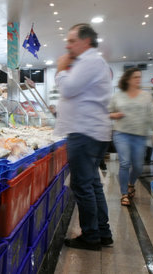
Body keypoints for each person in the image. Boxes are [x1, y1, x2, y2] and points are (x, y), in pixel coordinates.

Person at [54, 23, 113, 251]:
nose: (67, 45)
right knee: (93, 185)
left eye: (71, 41)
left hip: (85, 132)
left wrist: (60, 70)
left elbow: (68, 89)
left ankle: (90, 236)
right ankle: (102, 231)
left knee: (82, 186)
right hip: (92, 131)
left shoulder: (90, 61)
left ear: (86, 41)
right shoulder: (92, 62)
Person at [109, 68, 153, 206]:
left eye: (139, 77)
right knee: (124, 163)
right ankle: (124, 193)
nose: (138, 79)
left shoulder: (146, 96)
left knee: (138, 165)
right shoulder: (118, 96)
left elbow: (152, 114)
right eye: (135, 77)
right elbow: (108, 112)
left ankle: (131, 184)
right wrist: (115, 115)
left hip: (140, 135)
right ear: (127, 79)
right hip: (121, 133)